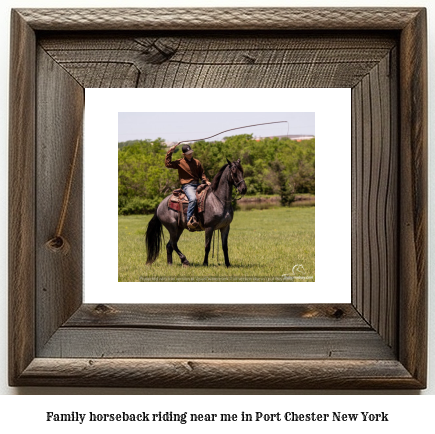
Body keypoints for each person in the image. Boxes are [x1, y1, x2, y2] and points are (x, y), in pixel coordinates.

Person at [165, 143, 211, 231]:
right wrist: (170, 152)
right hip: (187, 186)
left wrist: (206, 181)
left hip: (198, 184)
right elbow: (168, 164)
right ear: (184, 154)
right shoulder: (179, 162)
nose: (190, 154)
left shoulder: (197, 162)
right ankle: (189, 220)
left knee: (210, 195)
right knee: (193, 199)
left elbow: (202, 173)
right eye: (188, 153)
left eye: (191, 152)